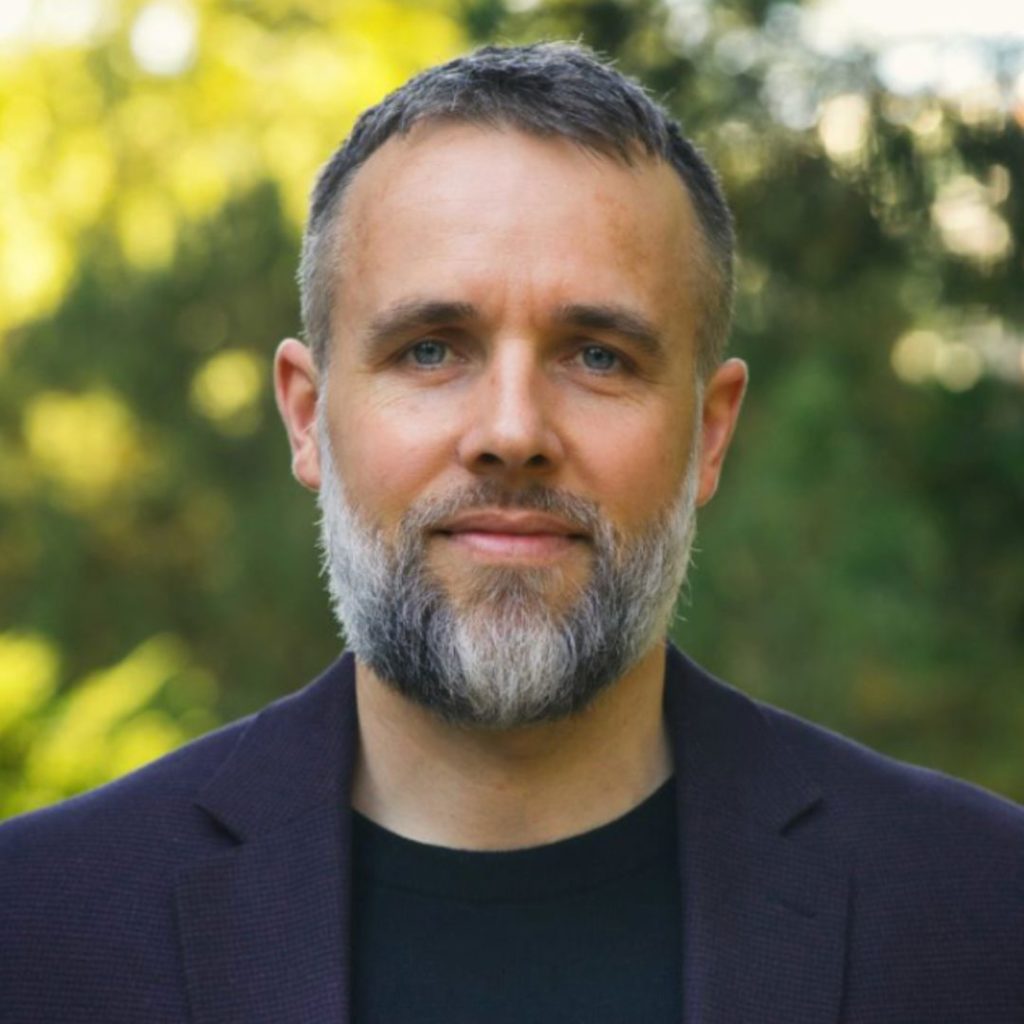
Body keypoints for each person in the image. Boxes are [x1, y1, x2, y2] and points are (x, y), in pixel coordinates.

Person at [1, 41, 1022, 1024]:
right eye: (432, 348)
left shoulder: (980, 913)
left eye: (598, 356)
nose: (510, 433)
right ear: (308, 416)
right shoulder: (38, 927)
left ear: (708, 436)